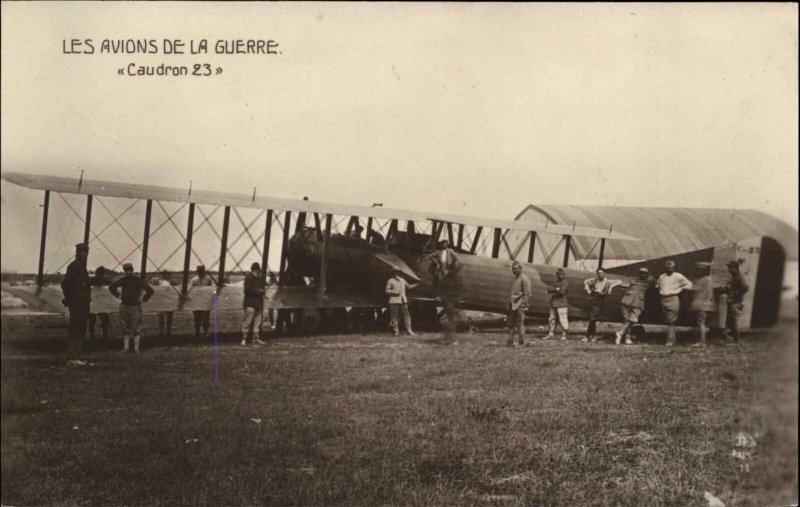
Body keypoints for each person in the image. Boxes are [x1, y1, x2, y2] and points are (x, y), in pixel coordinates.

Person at [109, 263, 154, 353]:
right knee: (125, 327)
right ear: (124, 271)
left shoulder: (138, 280)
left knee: (135, 327)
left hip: (135, 306)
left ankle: (136, 348)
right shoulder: (123, 280)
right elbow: (112, 287)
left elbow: (150, 290)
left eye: (129, 270)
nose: (128, 272)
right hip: (124, 305)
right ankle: (126, 348)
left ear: (132, 270)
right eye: (126, 270)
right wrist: (117, 295)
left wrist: (144, 299)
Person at [60, 243, 92, 360]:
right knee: (76, 329)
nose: (84, 254)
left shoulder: (81, 266)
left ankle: (76, 356)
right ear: (77, 253)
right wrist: (69, 299)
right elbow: (65, 283)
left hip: (83, 302)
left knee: (81, 328)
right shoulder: (74, 266)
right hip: (77, 303)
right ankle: (72, 357)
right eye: (82, 252)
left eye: (85, 253)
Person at [656, 260, 693, 346]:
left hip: (673, 298)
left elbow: (689, 284)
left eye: (671, 268)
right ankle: (673, 340)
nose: (669, 270)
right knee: (667, 319)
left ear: (674, 268)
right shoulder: (662, 276)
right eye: (667, 268)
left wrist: (679, 289)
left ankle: (669, 340)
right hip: (664, 298)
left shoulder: (678, 276)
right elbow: (658, 286)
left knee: (671, 320)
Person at [582, 268, 623, 343]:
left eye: (601, 273)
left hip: (601, 301)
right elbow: (585, 281)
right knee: (592, 318)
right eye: (598, 273)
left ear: (604, 273)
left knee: (592, 318)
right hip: (593, 299)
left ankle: (588, 336)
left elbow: (619, 281)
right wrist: (587, 289)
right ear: (597, 274)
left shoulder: (607, 281)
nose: (600, 275)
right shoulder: (595, 280)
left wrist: (611, 286)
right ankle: (592, 336)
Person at [430, 239, 461, 333]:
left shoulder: (450, 251)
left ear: (448, 244)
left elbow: (456, 258)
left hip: (447, 269)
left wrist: (454, 267)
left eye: (446, 243)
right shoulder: (438, 252)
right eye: (443, 243)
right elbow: (432, 256)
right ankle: (441, 295)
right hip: (441, 268)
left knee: (445, 282)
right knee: (440, 282)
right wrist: (435, 262)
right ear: (441, 244)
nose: (444, 245)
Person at [615, 267, 652, 345]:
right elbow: (625, 286)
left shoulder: (649, 282)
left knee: (633, 319)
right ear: (639, 273)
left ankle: (620, 333)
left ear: (647, 275)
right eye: (641, 273)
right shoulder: (632, 280)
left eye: (645, 273)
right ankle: (627, 338)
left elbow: (656, 282)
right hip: (627, 300)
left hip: (638, 302)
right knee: (626, 319)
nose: (643, 275)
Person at [722, 260, 749, 345]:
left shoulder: (739, 277)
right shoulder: (733, 277)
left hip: (736, 302)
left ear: (736, 268)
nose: (729, 269)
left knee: (735, 321)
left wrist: (735, 294)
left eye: (731, 267)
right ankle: (734, 339)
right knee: (731, 321)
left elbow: (745, 288)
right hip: (732, 301)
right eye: (728, 267)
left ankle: (737, 341)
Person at [689, 262, 715, 348]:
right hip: (703, 304)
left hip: (700, 304)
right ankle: (700, 341)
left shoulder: (703, 280)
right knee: (700, 323)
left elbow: (694, 290)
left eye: (700, 269)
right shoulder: (708, 279)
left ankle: (702, 342)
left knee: (701, 323)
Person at [385, 267, 417, 336]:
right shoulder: (390, 281)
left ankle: (409, 330)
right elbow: (387, 291)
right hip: (394, 301)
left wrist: (418, 284)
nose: (396, 273)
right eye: (394, 272)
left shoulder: (402, 280)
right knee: (394, 317)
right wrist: (394, 292)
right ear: (392, 273)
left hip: (403, 300)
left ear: (399, 272)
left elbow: (409, 287)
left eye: (397, 272)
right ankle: (396, 331)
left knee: (407, 316)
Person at [242, 262, 267, 346]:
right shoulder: (249, 278)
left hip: (257, 303)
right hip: (251, 303)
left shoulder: (257, 278)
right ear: (257, 270)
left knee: (257, 322)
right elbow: (247, 290)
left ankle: (255, 338)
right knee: (248, 322)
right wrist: (260, 291)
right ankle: (244, 339)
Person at [507, 261, 532, 347]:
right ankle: (510, 341)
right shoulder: (516, 278)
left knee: (520, 324)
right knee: (510, 324)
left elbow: (528, 294)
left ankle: (522, 342)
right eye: (513, 269)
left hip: (520, 305)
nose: (514, 270)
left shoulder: (524, 279)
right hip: (513, 304)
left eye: (516, 269)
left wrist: (524, 306)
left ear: (520, 269)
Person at [545, 268, 570, 341]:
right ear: (557, 275)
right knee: (551, 319)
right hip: (554, 303)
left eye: (562, 275)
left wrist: (554, 290)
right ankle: (551, 333)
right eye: (559, 275)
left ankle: (564, 334)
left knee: (563, 319)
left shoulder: (566, 282)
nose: (560, 276)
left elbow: (562, 292)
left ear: (564, 275)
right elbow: (548, 289)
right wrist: (557, 289)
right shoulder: (555, 282)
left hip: (562, 303)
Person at [88, 265, 111, 340]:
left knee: (101, 321)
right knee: (94, 321)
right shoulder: (91, 280)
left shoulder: (105, 281)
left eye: (101, 273)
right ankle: (94, 336)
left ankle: (100, 336)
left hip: (99, 304)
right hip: (94, 304)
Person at [190, 265, 213, 338]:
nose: (201, 273)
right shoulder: (194, 280)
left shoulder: (208, 279)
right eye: (199, 271)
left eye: (202, 271)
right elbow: (191, 290)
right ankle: (197, 332)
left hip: (205, 301)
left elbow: (210, 289)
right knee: (197, 317)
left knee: (206, 317)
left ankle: (205, 331)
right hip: (197, 301)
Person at [156, 270, 174, 338]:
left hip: (168, 301)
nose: (169, 276)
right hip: (162, 301)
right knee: (162, 318)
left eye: (169, 274)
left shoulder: (169, 282)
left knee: (168, 317)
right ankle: (162, 332)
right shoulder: (161, 282)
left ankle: (167, 331)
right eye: (167, 274)